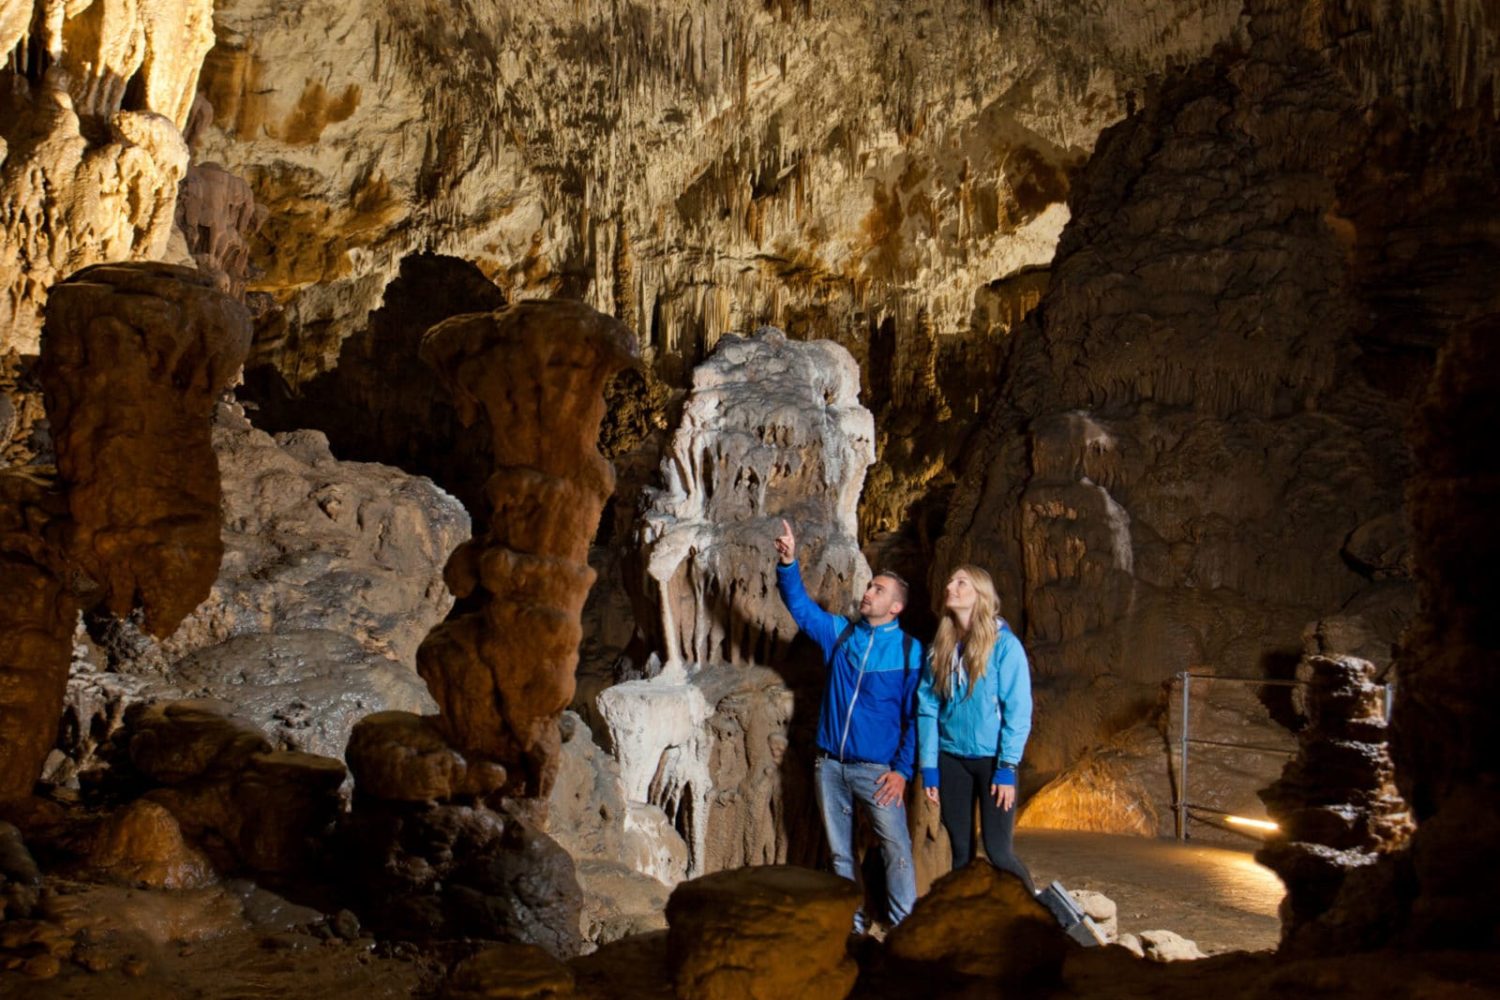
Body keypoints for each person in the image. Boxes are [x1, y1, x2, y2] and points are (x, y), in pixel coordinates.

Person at [774, 518, 922, 932]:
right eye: (870, 585)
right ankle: (853, 928)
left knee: (896, 849)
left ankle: (904, 929)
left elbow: (914, 718)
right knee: (840, 853)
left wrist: (902, 771)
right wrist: (788, 562)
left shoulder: (910, 652)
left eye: (878, 589)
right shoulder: (840, 635)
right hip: (830, 765)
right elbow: (801, 608)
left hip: (877, 773)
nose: (867, 592)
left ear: (895, 607)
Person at [917, 564, 1037, 892]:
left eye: (961, 583)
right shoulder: (940, 648)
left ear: (980, 595)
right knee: (960, 852)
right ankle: (968, 920)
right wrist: (929, 767)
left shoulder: (1004, 646)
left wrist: (1007, 767)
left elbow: (1018, 710)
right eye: (950, 580)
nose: (950, 586)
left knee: (998, 851)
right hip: (951, 759)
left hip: (993, 762)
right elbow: (927, 709)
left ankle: (1040, 915)